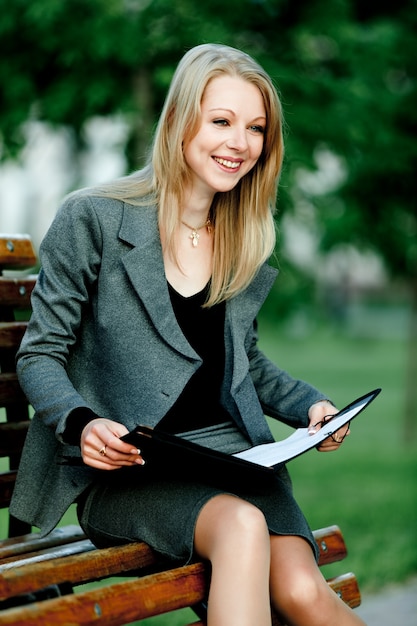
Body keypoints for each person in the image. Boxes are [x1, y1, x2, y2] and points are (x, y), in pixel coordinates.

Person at [11, 43, 366, 626]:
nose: (239, 143)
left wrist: (312, 406)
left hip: (236, 457)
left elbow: (243, 362)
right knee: (241, 527)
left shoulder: (238, 233)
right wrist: (82, 422)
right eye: (221, 121)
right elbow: (40, 354)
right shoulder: (93, 219)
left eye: (255, 128)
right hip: (133, 470)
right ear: (180, 121)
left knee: (304, 594)